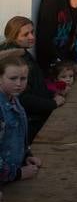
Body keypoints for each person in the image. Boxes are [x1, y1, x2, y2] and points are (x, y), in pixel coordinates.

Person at [0, 17, 64, 141]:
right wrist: (52, 103)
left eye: (32, 32)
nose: (31, 37)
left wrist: (52, 93)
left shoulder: (22, 52)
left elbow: (35, 85)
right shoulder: (15, 61)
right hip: (30, 121)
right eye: (25, 34)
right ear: (13, 37)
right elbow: (21, 96)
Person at [0, 51, 42, 185]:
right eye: (13, 78)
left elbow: (16, 135)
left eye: (23, 78)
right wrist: (17, 174)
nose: (19, 83)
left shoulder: (13, 98)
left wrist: (26, 156)